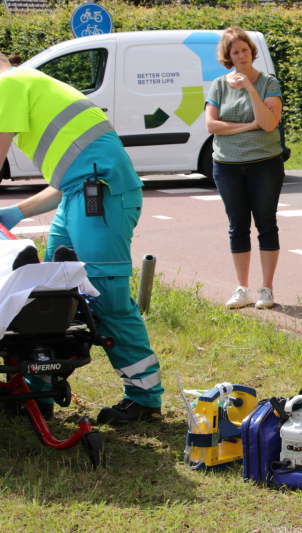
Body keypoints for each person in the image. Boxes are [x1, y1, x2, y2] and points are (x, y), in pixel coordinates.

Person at [0, 53, 163, 424]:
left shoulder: (8, 84)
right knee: (49, 297)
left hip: (100, 195)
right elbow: (66, 182)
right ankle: (36, 388)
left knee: (106, 297)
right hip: (84, 193)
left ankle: (144, 396)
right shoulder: (31, 86)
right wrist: (15, 212)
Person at [204, 27, 284, 310]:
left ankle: (267, 289)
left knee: (266, 225)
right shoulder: (218, 85)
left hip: (264, 165)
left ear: (252, 51)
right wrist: (248, 125)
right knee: (237, 226)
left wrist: (250, 88)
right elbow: (212, 126)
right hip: (227, 167)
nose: (240, 55)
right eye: (234, 51)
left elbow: (269, 123)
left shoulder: (268, 83)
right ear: (228, 56)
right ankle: (242, 289)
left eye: (244, 50)